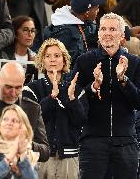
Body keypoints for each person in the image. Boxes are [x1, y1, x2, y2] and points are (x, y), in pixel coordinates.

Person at [73, 12, 140, 179]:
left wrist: (124, 80)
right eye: (103, 29)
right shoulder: (84, 61)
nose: (107, 33)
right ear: (98, 33)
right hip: (93, 141)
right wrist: (93, 86)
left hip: (126, 141)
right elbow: (75, 101)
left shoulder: (136, 63)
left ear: (122, 35)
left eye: (113, 29)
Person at [23, 38, 88, 178]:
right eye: (48, 56)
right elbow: (31, 121)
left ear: (64, 60)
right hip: (39, 156)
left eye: (57, 56)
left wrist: (72, 99)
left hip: (69, 158)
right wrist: (52, 97)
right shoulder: (31, 89)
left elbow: (81, 122)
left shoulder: (76, 90)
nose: (52, 59)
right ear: (42, 60)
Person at [0, 62, 50, 162]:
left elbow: (45, 152)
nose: (13, 93)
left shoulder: (33, 108)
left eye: (18, 88)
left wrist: (27, 143)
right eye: (8, 87)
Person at [43, 0, 107, 68]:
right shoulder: (67, 35)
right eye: (96, 8)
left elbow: (93, 31)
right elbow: (68, 68)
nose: (98, 11)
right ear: (87, 12)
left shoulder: (81, 20)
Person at [0, 104, 38, 179]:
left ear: (22, 127)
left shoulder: (29, 157)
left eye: (14, 121)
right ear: (0, 125)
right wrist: (8, 158)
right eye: (5, 119)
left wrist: (22, 156)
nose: (9, 123)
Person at [0, 15, 38, 84]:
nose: (30, 34)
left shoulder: (36, 58)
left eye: (32, 31)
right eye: (25, 30)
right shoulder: (2, 55)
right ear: (15, 33)